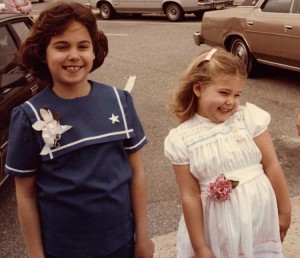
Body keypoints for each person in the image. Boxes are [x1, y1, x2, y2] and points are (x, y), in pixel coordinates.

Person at [5, 2, 154, 258]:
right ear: (43, 53)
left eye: (82, 46)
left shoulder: (120, 101)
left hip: (122, 244)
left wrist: (143, 236)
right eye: (62, 46)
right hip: (63, 250)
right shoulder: (27, 117)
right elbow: (26, 195)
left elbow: (136, 172)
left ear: (94, 51)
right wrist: (35, 255)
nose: (73, 55)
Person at [164, 48, 291, 258]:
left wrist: (284, 211)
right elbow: (190, 196)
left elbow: (272, 166)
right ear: (198, 88)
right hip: (217, 228)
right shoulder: (182, 139)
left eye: (237, 94)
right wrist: (200, 247)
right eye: (224, 93)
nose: (231, 101)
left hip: (258, 219)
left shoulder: (248, 119)